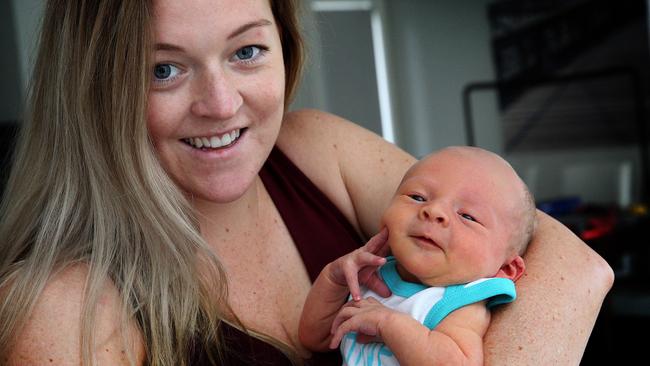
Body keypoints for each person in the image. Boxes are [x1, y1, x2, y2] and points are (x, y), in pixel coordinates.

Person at [0, 0, 613, 365]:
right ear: (93, 90)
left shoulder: (314, 146)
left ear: (284, 48)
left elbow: (575, 267)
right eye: (163, 69)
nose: (221, 104)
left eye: (246, 53)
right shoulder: (59, 311)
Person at [300, 146, 536, 365]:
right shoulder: (372, 275)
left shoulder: (459, 302)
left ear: (506, 270)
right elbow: (315, 338)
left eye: (468, 216)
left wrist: (387, 324)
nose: (434, 211)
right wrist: (334, 279)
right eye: (418, 197)